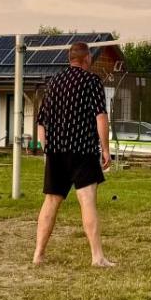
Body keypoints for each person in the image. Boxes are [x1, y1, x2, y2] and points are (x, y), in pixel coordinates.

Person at [32, 41, 114, 267]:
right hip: (82, 150)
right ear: (87, 58)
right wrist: (106, 149)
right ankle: (97, 257)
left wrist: (47, 150)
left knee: (51, 201)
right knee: (87, 201)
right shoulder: (92, 81)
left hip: (56, 151)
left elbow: (41, 122)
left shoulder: (54, 81)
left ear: (70, 59)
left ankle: (38, 254)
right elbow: (100, 116)